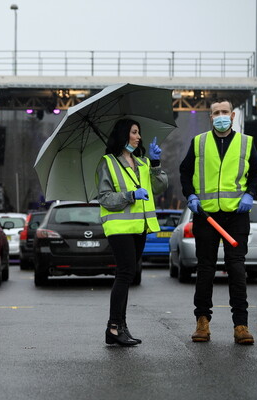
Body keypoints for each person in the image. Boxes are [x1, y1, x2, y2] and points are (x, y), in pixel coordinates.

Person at [179, 98, 257, 345]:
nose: (220, 116)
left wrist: (251, 193)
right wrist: (190, 195)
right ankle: (202, 322)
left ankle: (241, 325)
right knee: (205, 269)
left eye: (224, 112)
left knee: (236, 268)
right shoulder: (199, 142)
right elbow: (185, 172)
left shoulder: (246, 143)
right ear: (210, 117)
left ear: (233, 115)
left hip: (236, 215)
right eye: (216, 113)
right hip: (206, 215)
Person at [96, 118, 168, 346]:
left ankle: (121, 327)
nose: (138, 137)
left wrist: (156, 163)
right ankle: (114, 328)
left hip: (140, 227)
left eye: (139, 133)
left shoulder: (143, 163)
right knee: (125, 273)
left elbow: (160, 187)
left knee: (128, 275)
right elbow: (105, 198)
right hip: (119, 227)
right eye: (134, 132)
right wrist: (130, 196)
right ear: (123, 135)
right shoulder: (107, 162)